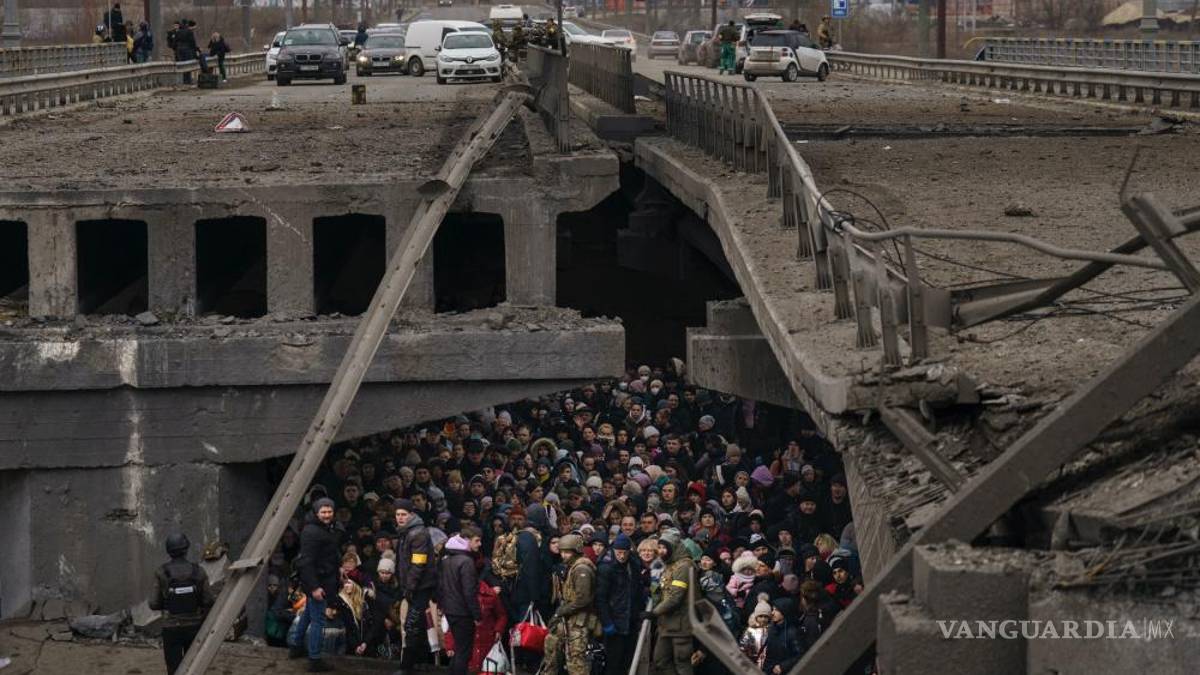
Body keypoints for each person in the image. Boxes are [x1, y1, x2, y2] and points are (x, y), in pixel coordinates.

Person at [149, 533, 214, 675]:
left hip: (171, 628)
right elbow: (208, 600)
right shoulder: (199, 571)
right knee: (194, 667)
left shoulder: (161, 572)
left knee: (174, 669)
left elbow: (153, 604)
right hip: (194, 627)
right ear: (186, 549)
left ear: (168, 551)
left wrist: (168, 603)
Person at [291, 497, 341, 672]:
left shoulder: (324, 528)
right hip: (318, 582)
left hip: (323, 578)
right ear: (316, 512)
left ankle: (296, 646)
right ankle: (314, 658)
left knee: (308, 615)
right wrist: (314, 587)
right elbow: (306, 562)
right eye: (323, 512)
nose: (327, 515)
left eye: (329, 512)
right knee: (318, 620)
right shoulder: (312, 532)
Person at [540, 533, 597, 675]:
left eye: (567, 552)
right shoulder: (571, 567)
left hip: (579, 621)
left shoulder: (581, 569)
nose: (564, 555)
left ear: (576, 551)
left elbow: (582, 599)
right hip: (569, 619)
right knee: (551, 647)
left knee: (576, 661)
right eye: (562, 552)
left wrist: (561, 611)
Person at [644, 529, 695, 675]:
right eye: (659, 547)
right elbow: (662, 590)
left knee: (682, 662)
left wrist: (653, 613)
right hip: (666, 624)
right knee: (660, 660)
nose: (661, 551)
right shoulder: (668, 565)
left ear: (673, 547)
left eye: (664, 547)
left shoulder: (684, 566)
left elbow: (675, 598)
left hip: (681, 625)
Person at [394, 498, 436, 674]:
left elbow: (418, 563)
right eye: (397, 514)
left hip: (420, 587)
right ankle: (419, 663)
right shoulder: (407, 532)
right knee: (416, 624)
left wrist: (409, 587)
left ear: (411, 515)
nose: (400, 518)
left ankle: (407, 666)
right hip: (414, 586)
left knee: (412, 625)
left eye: (403, 514)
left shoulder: (417, 533)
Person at [596, 533, 645, 675]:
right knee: (613, 662)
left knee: (627, 660)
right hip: (614, 620)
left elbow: (637, 588)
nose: (622, 556)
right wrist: (607, 622)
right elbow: (601, 598)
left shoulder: (633, 564)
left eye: (625, 553)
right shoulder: (606, 568)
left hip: (630, 619)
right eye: (619, 553)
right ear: (613, 550)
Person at [438, 529, 481, 675]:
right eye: (476, 540)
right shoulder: (466, 562)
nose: (479, 544)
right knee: (464, 652)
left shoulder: (447, 559)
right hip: (463, 611)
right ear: (467, 540)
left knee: (460, 650)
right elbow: (469, 591)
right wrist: (476, 614)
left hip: (450, 609)